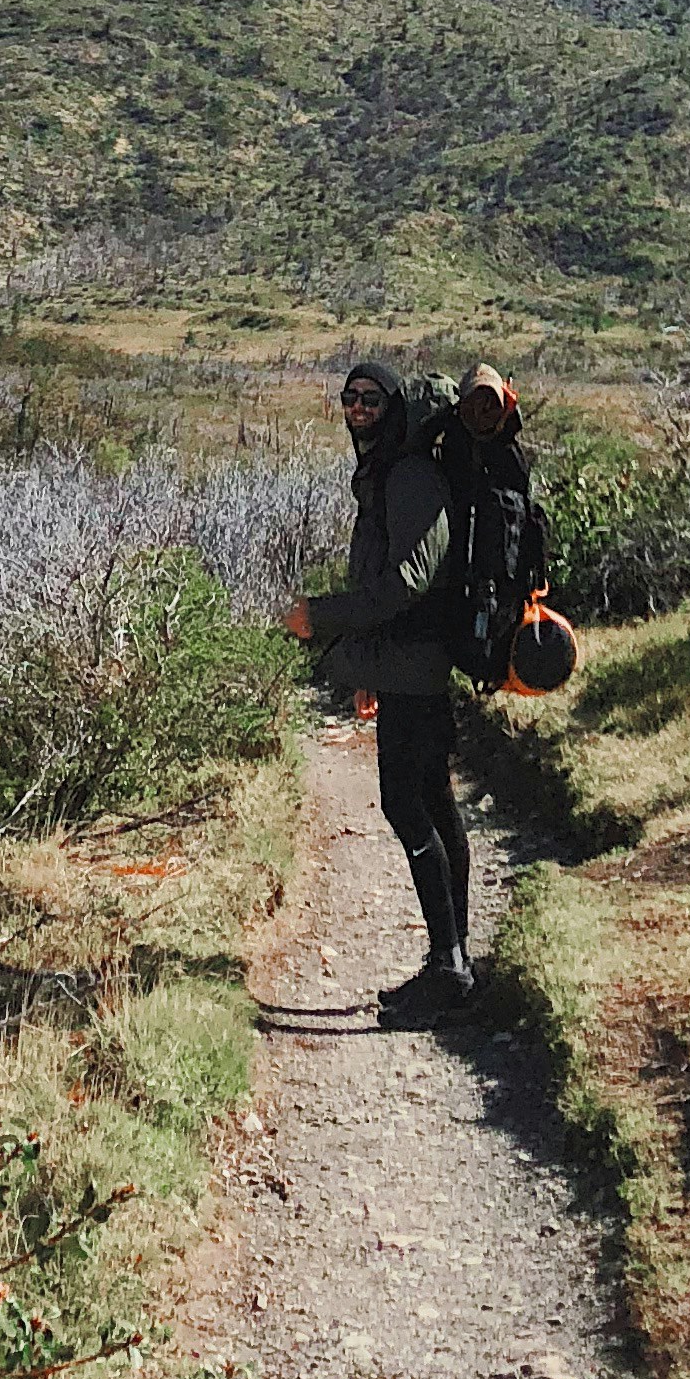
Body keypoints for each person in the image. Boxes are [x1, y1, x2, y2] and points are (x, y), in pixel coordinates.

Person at [282, 357, 475, 1008]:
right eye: (350, 398)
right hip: (404, 663)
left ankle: (449, 969)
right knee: (433, 803)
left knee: (408, 804)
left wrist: (323, 618)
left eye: (371, 399)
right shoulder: (389, 472)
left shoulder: (411, 475)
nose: (358, 409)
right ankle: (454, 965)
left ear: (395, 407)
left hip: (418, 663)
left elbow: (408, 582)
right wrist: (367, 667)